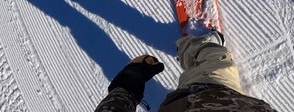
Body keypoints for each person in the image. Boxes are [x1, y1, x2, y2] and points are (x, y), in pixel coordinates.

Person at [95, 28, 277, 112]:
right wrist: (124, 90)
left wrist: (125, 89)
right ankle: (198, 48)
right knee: (215, 59)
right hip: (220, 96)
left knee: (214, 60)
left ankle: (191, 48)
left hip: (199, 99)